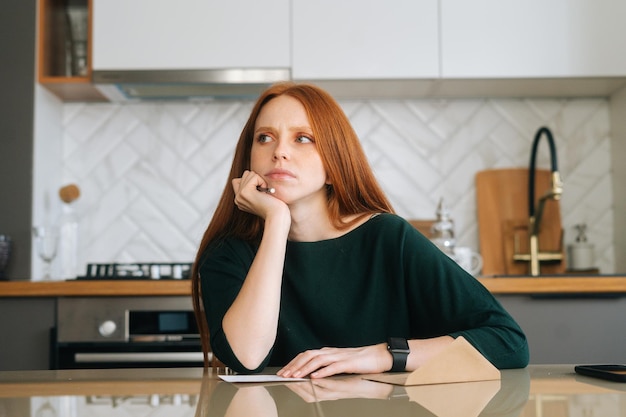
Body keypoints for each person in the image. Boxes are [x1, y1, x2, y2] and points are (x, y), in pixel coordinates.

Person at [191, 82, 529, 378]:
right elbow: (246, 358)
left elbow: (507, 342)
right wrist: (277, 223)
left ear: (334, 166)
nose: (279, 151)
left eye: (302, 138)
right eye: (264, 138)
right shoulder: (228, 252)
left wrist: (382, 355)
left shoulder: (388, 239)